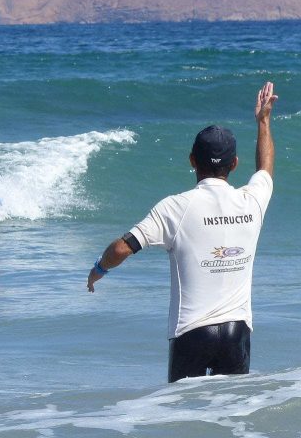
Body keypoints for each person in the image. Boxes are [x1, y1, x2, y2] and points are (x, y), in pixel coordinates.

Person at [86, 82, 278, 383]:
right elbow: (265, 169)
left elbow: (122, 248)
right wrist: (263, 121)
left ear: (192, 161)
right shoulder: (252, 200)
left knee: (181, 421)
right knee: (232, 418)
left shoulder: (175, 207)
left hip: (192, 334)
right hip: (237, 332)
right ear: (235, 163)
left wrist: (98, 269)